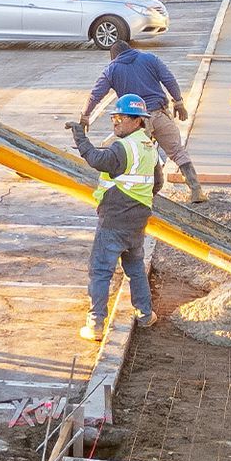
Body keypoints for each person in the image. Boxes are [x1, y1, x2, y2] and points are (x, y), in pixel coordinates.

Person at [67, 93, 164, 342]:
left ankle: (95, 324)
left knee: (100, 271)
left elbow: (97, 160)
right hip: (137, 221)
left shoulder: (124, 147)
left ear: (137, 121)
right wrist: (137, 197)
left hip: (115, 220)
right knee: (134, 268)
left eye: (121, 118)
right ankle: (145, 315)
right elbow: (157, 183)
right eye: (114, 117)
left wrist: (80, 136)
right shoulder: (148, 147)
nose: (116, 122)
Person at [81, 42, 206, 202]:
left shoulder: (112, 69)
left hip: (136, 122)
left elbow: (95, 95)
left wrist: (85, 116)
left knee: (141, 155)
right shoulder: (150, 59)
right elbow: (169, 79)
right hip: (159, 113)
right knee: (177, 151)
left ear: (113, 56)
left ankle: (147, 192)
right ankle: (196, 190)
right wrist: (178, 102)